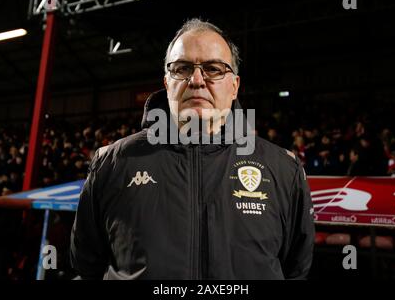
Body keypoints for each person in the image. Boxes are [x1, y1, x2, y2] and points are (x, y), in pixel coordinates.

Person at [70, 18, 315, 280]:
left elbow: (296, 269)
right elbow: (87, 265)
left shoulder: (283, 169)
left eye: (213, 69)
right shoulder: (112, 163)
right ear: (167, 83)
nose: (197, 80)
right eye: (182, 68)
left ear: (234, 86)